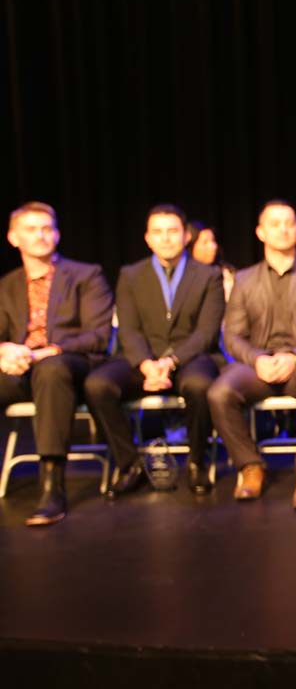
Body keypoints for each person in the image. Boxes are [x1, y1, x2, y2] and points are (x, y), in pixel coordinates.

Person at [84, 204, 225, 496]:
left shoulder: (208, 275)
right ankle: (129, 464)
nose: (166, 238)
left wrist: (171, 362)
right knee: (98, 385)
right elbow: (129, 329)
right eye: (158, 232)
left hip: (190, 358)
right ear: (148, 238)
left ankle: (196, 462)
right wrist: (147, 364)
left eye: (172, 231)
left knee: (200, 384)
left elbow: (206, 332)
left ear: (186, 236)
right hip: (141, 358)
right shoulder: (131, 275)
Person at [207, 201, 296, 509]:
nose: (283, 229)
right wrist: (257, 359)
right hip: (259, 365)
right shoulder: (244, 279)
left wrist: (294, 356)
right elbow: (233, 335)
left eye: (289, 223)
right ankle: (250, 465)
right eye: (275, 223)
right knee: (219, 392)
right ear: (260, 232)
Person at [0, 202, 113, 526]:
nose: (40, 235)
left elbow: (98, 335)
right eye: (31, 229)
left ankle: (52, 485)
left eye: (46, 228)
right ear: (13, 237)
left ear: (57, 234)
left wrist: (47, 351)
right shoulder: (7, 285)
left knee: (50, 371)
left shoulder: (85, 275)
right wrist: (6, 350)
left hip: (68, 364)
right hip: (20, 367)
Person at [187, 220, 236, 302]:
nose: (213, 246)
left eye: (213, 241)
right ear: (191, 246)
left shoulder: (225, 273)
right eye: (205, 242)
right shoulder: (183, 277)